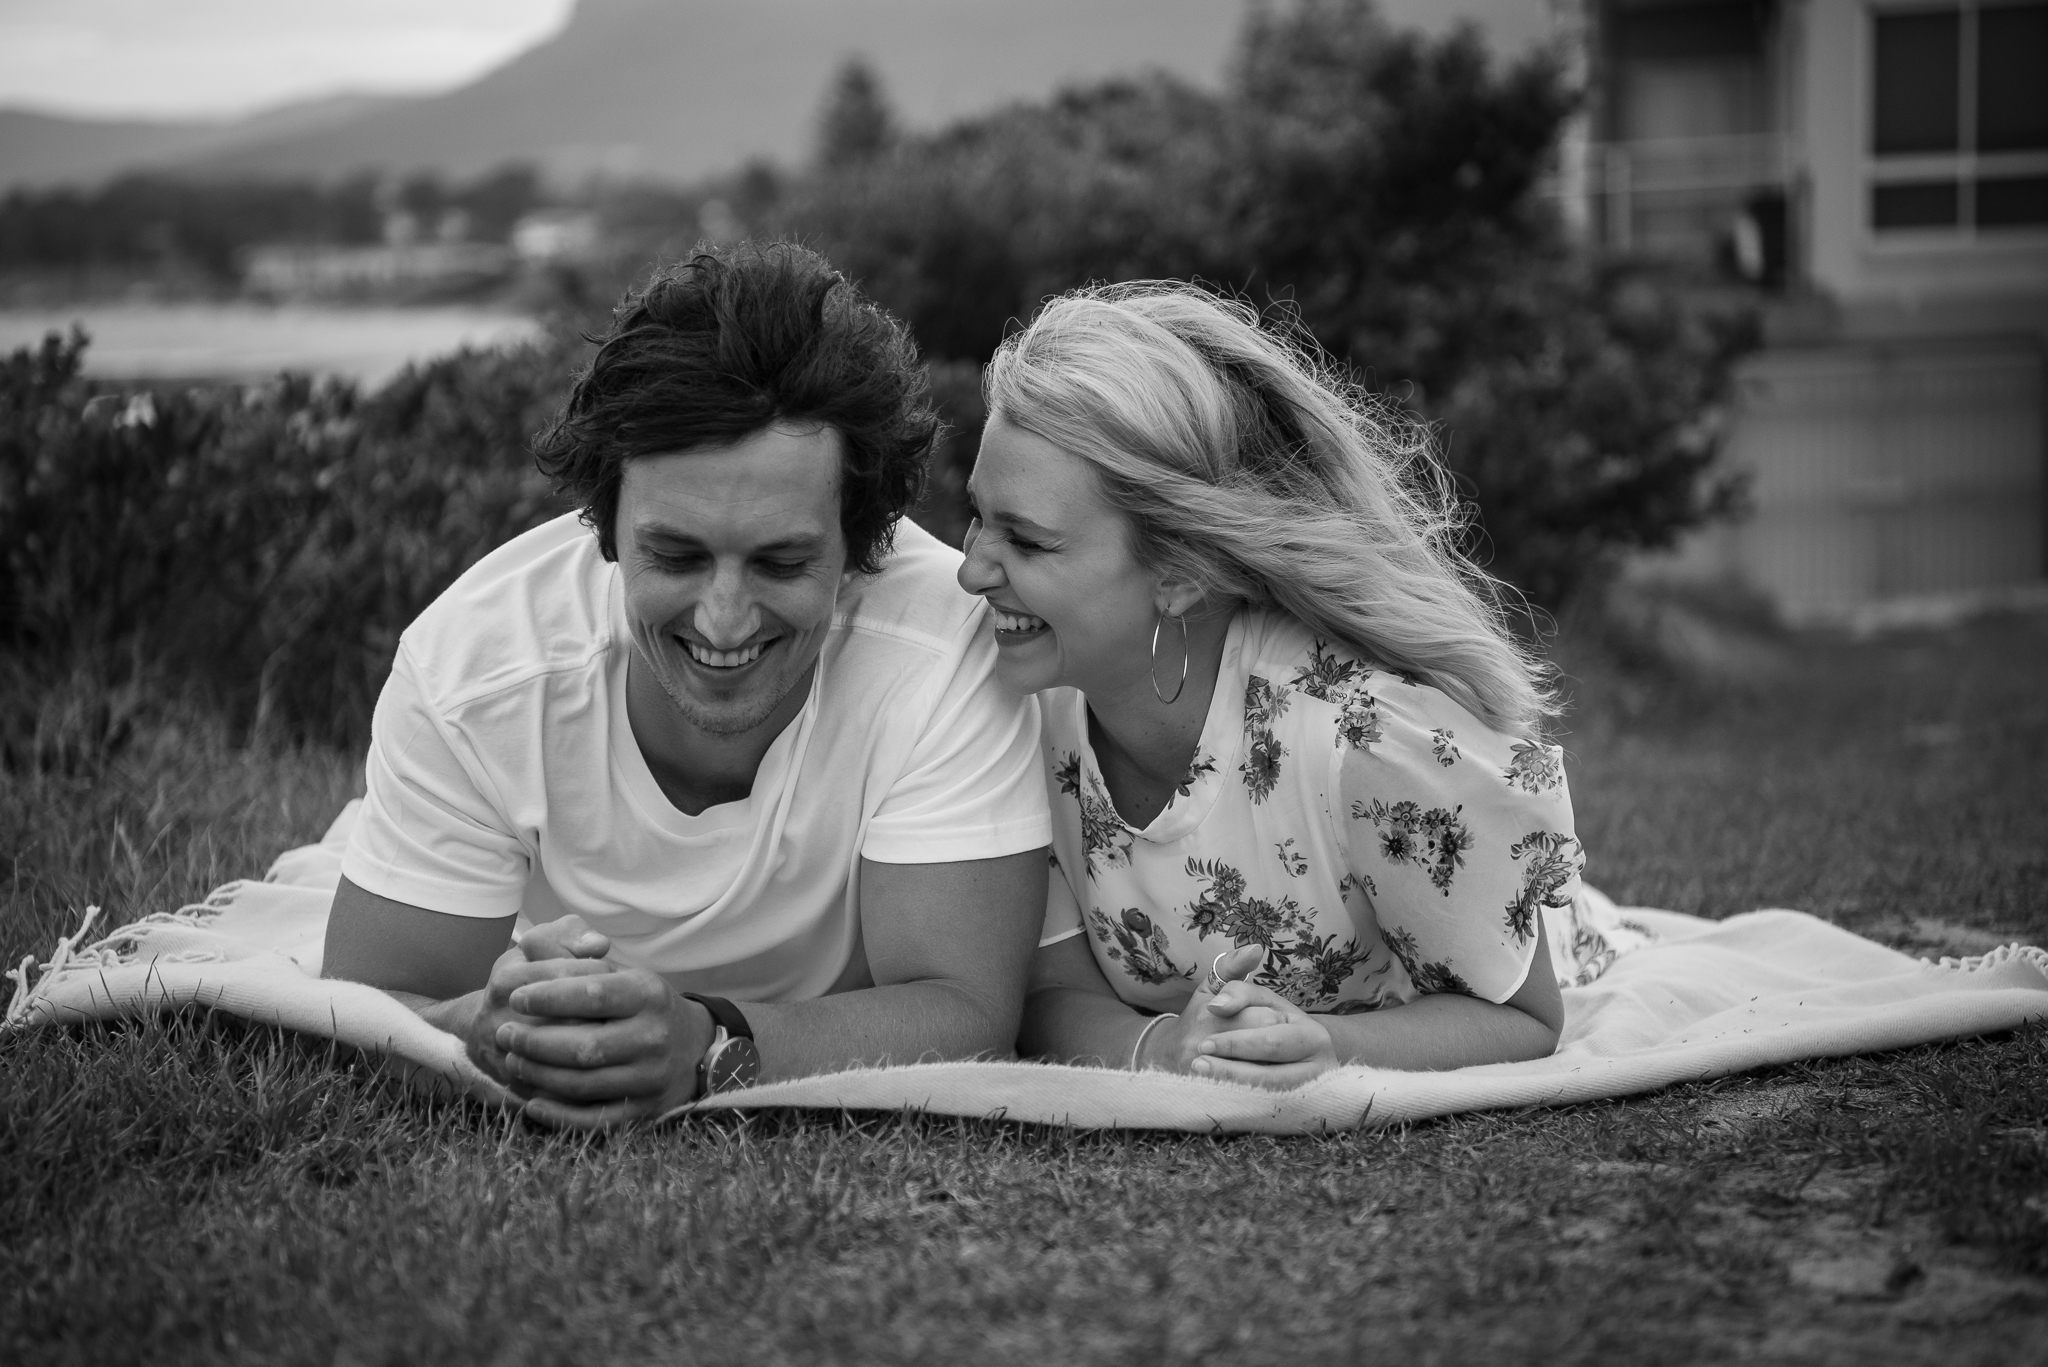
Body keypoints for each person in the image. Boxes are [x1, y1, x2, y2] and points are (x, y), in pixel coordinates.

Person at [321, 242, 1051, 1127]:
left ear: (863, 546)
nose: (724, 618)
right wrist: (488, 1029)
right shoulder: (472, 671)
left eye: (781, 561)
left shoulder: (943, 648)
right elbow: (367, 1009)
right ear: (605, 526)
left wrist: (709, 1049)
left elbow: (970, 1014)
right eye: (676, 554)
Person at [957, 282, 1629, 1089]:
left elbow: (1522, 1016)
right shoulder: (1012, 709)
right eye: (977, 517)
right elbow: (1049, 990)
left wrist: (1334, 1048)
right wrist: (1166, 1046)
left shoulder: (1366, 737)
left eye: (1026, 541)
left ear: (1177, 575)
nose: (970, 569)